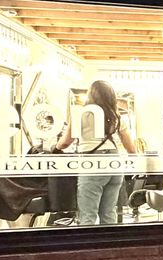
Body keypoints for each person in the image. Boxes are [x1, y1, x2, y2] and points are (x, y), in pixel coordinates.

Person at [58, 79, 138, 225]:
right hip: (114, 164)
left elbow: (64, 143)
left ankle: (88, 246)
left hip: (92, 164)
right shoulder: (115, 116)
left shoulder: (80, 114)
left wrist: (55, 145)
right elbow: (131, 148)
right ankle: (110, 246)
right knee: (108, 213)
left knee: (88, 215)